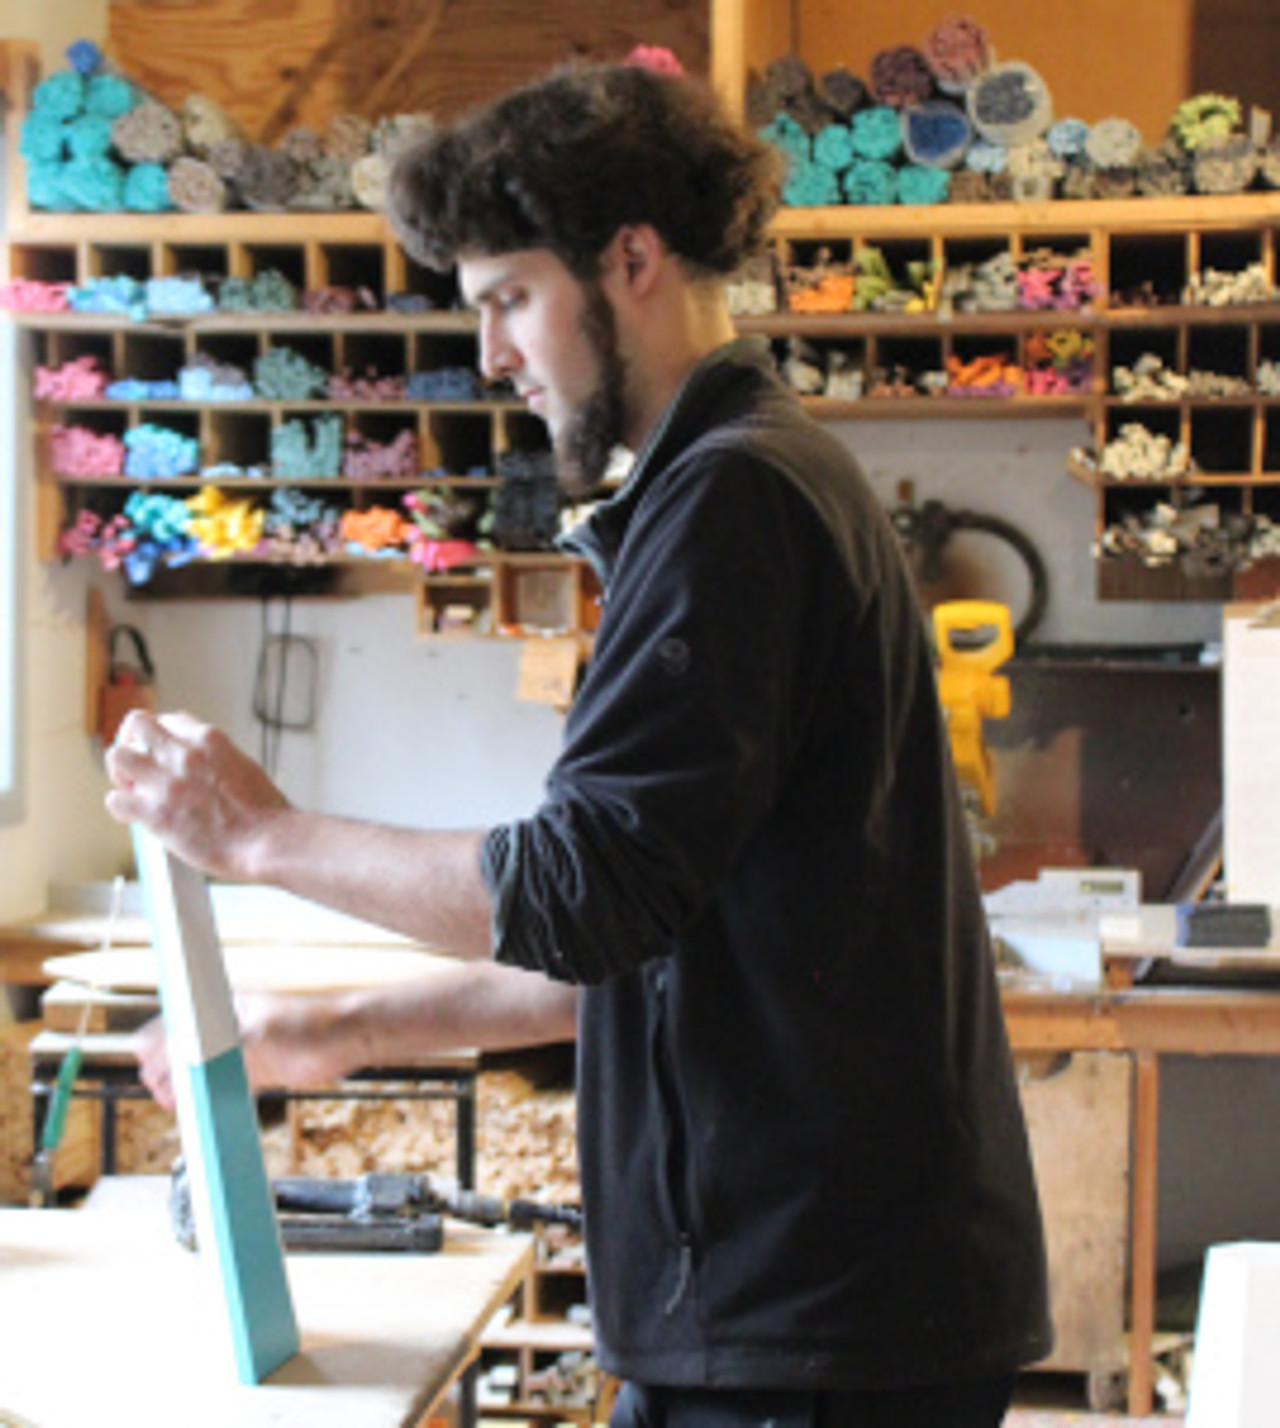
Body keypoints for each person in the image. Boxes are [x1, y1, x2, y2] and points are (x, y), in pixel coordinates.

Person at [107, 59, 1051, 1428]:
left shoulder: (735, 499)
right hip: (811, 1314)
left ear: (631, 260)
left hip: (818, 1326)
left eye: (508, 300)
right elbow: (648, 949)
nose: (490, 354)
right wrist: (342, 1027)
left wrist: (260, 837)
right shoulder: (721, 488)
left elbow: (579, 893)